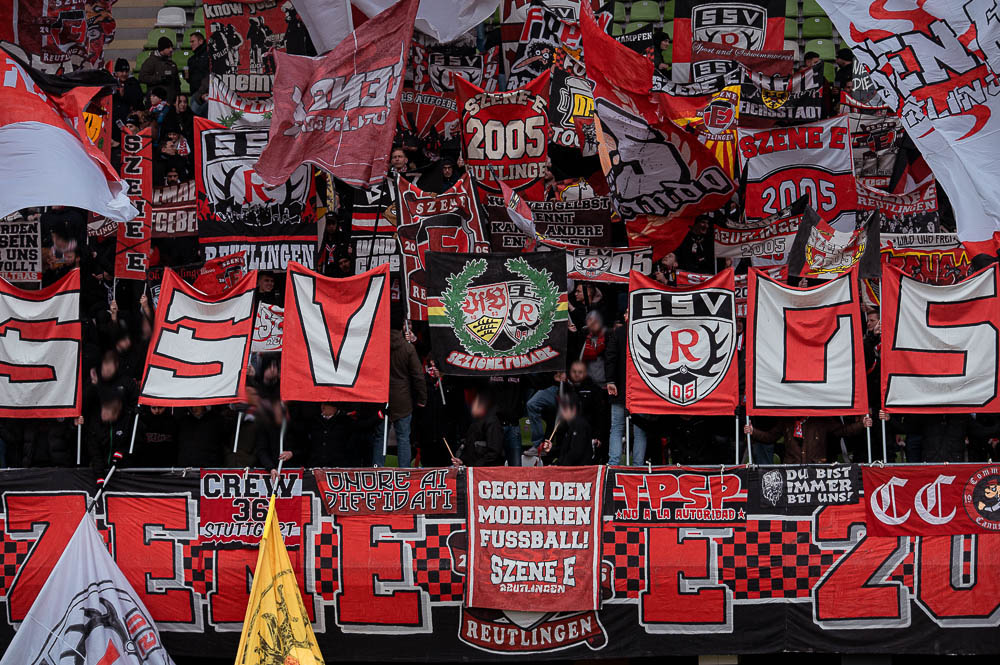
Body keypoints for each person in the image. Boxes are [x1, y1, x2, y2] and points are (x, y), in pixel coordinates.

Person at [376, 323, 427, 467]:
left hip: (382, 396)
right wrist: (422, 398)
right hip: (403, 398)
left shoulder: (378, 345)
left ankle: (377, 468)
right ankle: (405, 472)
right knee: (403, 437)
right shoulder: (408, 347)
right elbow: (418, 376)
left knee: (380, 436)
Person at [745, 414, 872, 464]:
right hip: (792, 468)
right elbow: (770, 437)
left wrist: (862, 424)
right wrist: (753, 432)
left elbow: (842, 431)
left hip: (816, 467)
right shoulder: (786, 420)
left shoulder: (821, 419)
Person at [453, 392, 505, 467]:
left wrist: (475, 466)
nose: (471, 406)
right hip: (475, 470)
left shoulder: (492, 422)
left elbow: (494, 452)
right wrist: (462, 460)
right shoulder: (475, 422)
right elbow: (470, 448)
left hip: (487, 472)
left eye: (474, 403)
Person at [541, 393, 594, 465]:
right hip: (571, 470)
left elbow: (575, 453)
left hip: (578, 471)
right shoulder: (571, 425)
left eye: (564, 408)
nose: (562, 412)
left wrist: (558, 465)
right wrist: (551, 449)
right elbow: (565, 449)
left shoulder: (580, 425)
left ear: (574, 409)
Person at [138, 37, 180, 103]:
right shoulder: (150, 62)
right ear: (162, 48)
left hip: (170, 102)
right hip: (155, 103)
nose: (171, 50)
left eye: (171, 47)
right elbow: (142, 77)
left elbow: (177, 83)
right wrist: (159, 78)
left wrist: (177, 97)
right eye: (168, 47)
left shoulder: (172, 64)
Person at [186, 32, 209, 105]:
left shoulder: (209, 56)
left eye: (193, 41)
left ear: (201, 41)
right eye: (190, 42)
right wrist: (186, 75)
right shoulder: (191, 59)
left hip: (205, 94)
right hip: (194, 93)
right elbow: (190, 79)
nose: (191, 44)